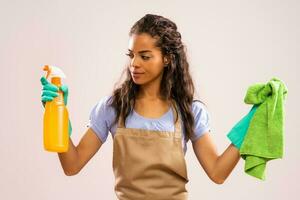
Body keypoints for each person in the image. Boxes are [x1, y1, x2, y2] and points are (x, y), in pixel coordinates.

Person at [40, 14, 242, 199]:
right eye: (132, 55)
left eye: (145, 56)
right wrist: (57, 114)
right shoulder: (114, 107)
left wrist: (250, 125)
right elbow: (72, 165)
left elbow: (218, 172)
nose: (134, 63)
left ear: (167, 59)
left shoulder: (189, 111)